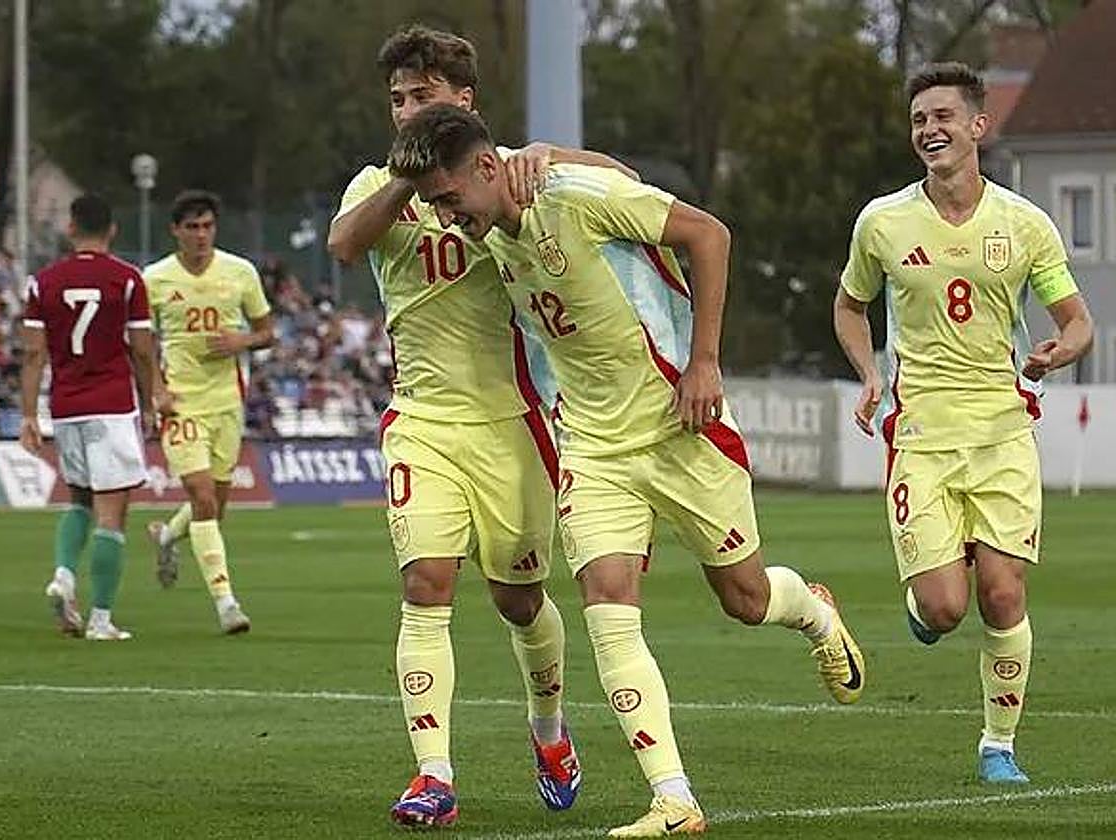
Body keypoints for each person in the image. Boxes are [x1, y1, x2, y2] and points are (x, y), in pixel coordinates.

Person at [390, 104, 866, 838]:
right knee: (608, 606)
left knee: (743, 599)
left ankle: (813, 612)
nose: (447, 220)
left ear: (488, 169)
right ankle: (675, 799)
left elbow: (708, 233)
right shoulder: (487, 233)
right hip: (593, 446)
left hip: (683, 423)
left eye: (450, 201)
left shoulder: (572, 198)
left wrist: (704, 361)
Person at [327, 24, 639, 829]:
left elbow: (625, 181)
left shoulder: (501, 177)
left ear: (464, 101)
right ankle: (433, 773)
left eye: (423, 96)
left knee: (518, 596)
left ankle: (549, 728)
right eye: (396, 99)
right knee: (426, 586)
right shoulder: (379, 184)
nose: (406, 110)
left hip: (511, 422)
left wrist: (553, 154)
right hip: (422, 421)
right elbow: (343, 244)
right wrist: (405, 175)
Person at [833, 62, 1093, 784]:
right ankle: (928, 601)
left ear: (978, 126)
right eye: (919, 120)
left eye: (943, 117)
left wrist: (1057, 353)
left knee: (1003, 593)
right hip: (921, 436)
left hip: (1003, 432)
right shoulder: (882, 223)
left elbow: (1078, 323)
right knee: (946, 609)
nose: (929, 130)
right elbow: (850, 304)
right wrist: (869, 374)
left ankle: (998, 745)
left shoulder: (1024, 224)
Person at [20, 193, 168, 641]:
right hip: (111, 405)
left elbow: (32, 353)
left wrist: (29, 414)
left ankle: (65, 575)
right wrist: (152, 400)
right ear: (113, 230)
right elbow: (142, 350)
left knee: (80, 498)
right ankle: (101, 619)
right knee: (112, 512)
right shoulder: (126, 280)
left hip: (65, 408)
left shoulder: (41, 282)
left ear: (70, 229)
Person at [143, 189, 274, 634]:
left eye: (207, 226)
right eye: (192, 227)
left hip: (226, 403)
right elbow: (139, 345)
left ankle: (166, 535)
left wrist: (243, 341)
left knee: (213, 508)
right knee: (201, 496)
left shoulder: (239, 272)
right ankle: (226, 604)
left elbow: (266, 331)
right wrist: (156, 391)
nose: (201, 235)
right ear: (175, 231)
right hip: (181, 404)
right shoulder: (154, 280)